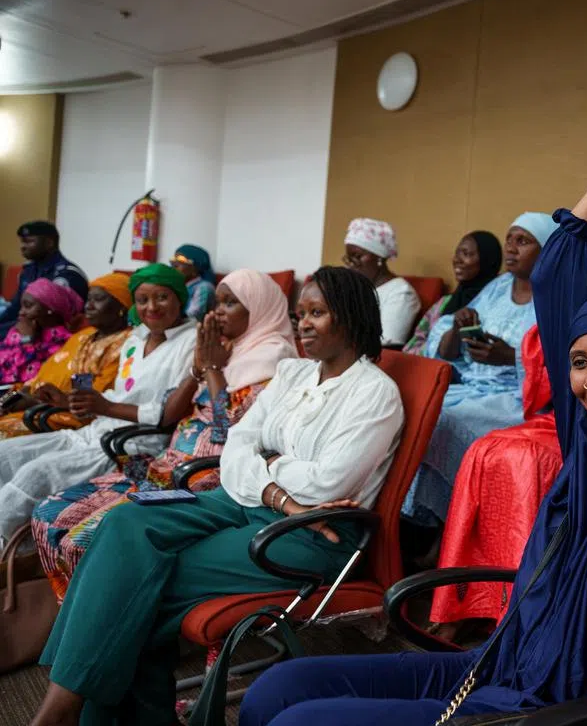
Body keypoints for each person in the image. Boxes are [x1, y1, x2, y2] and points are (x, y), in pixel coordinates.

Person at [238, 105, 587, 726]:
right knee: (276, 689)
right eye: (580, 361)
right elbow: (560, 270)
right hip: (502, 668)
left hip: (568, 711)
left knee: (298, 723)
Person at [28, 266, 404, 726]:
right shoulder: (292, 374)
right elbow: (236, 447)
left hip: (312, 532)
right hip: (251, 502)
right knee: (123, 525)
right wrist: (275, 485)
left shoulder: (375, 393)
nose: (303, 323)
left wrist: (264, 463)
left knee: (142, 583)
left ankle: (63, 710)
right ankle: (71, 707)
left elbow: (326, 483)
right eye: (300, 312)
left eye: (317, 313)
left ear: (350, 317)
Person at [429, 184, 587, 626]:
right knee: (487, 449)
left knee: (519, 457)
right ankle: (480, 603)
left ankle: (529, 607)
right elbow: (554, 354)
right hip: (572, 414)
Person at [30, 269, 298, 600]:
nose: (217, 312)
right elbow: (171, 411)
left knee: (79, 539)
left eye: (231, 303)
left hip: (203, 479)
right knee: (46, 513)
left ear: (258, 308)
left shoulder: (275, 361)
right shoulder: (228, 350)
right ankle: (73, 610)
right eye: (217, 302)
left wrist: (213, 370)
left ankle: (105, 616)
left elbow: (225, 430)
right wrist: (199, 367)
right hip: (162, 465)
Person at [0, 263, 196, 548]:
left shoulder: (192, 342)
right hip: (98, 428)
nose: (151, 307)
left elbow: (166, 416)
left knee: (36, 474)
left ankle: (9, 550)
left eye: (162, 297)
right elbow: (120, 395)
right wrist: (78, 403)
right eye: (142, 300)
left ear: (180, 298)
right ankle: (17, 547)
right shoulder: (135, 338)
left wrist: (105, 407)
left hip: (134, 447)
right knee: (5, 453)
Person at [399, 211, 558, 528]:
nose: (510, 248)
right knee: (415, 407)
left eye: (522, 241)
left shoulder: (558, 296)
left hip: (517, 398)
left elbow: (565, 359)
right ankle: (419, 518)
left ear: (546, 250)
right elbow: (446, 352)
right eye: (509, 240)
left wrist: (510, 357)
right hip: (472, 387)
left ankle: (453, 520)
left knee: (443, 416)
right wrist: (460, 328)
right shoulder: (498, 288)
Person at [0, 274, 132, 439]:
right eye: (88, 299)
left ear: (122, 306)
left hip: (71, 418)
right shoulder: (82, 336)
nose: (88, 306)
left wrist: (36, 402)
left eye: (98, 299)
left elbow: (97, 398)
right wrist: (9, 400)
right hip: (38, 408)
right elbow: (36, 380)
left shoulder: (128, 345)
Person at [404, 231, 502, 356]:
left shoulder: (496, 305)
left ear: (486, 260)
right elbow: (415, 342)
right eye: (457, 253)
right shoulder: (444, 303)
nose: (457, 260)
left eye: (466, 254)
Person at [0, 221, 88, 338]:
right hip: (24, 328)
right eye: (22, 242)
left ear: (49, 243)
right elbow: (16, 308)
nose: (23, 247)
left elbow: (57, 320)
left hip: (53, 337)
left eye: (29, 242)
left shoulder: (67, 274)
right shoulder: (28, 271)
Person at [343, 217, 422, 346]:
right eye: (349, 258)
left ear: (379, 257)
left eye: (357, 257)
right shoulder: (356, 288)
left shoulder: (401, 293)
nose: (351, 265)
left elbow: (388, 344)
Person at [0, 280, 84, 386]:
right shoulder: (19, 330)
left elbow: (31, 379)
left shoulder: (65, 342)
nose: (21, 312)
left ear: (50, 308)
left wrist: (27, 341)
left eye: (28, 306)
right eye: (21, 306)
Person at [170, 244, 216, 321]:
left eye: (180, 261)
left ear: (195, 268)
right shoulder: (179, 286)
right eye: (173, 261)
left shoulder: (204, 287)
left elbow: (192, 318)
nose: (174, 266)